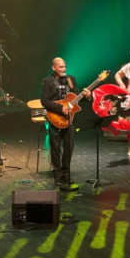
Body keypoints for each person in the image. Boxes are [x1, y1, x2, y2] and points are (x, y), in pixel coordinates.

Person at [40, 57, 91, 187]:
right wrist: (60, 108)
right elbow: (44, 101)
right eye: (60, 67)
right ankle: (57, 174)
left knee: (69, 146)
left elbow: (76, 97)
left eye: (64, 67)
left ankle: (66, 173)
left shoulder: (71, 79)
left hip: (70, 119)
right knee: (55, 147)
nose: (63, 69)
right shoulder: (47, 81)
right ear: (54, 68)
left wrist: (87, 97)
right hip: (55, 117)